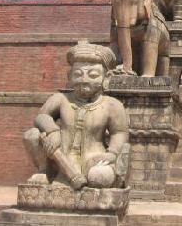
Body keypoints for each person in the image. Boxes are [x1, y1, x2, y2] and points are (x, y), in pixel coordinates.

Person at [22, 40, 129, 190]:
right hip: (60, 157)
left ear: (106, 78)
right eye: (78, 74)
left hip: (95, 159)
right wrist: (52, 131)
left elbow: (119, 132)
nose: (84, 80)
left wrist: (112, 153)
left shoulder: (112, 105)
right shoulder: (61, 99)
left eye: (93, 75)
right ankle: (44, 171)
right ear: (69, 76)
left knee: (100, 178)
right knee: (32, 135)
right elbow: (41, 116)